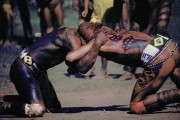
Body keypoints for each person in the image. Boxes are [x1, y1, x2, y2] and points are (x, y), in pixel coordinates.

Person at [66, 21, 180, 114]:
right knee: (174, 71)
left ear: (84, 38)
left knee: (136, 106)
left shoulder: (97, 40)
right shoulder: (114, 31)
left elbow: (70, 57)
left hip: (159, 57)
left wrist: (95, 44)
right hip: (171, 45)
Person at [0, 26, 97, 117]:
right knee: (37, 109)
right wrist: (95, 43)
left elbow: (72, 68)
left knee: (53, 107)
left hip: (37, 71)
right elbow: (78, 65)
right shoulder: (72, 38)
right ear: (86, 39)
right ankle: (3, 107)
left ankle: (4, 98)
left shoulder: (72, 33)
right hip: (24, 68)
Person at [90, 0, 129, 79]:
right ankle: (98, 69)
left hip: (109, 11)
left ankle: (104, 70)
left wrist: (117, 21)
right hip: (97, 11)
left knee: (103, 40)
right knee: (95, 40)